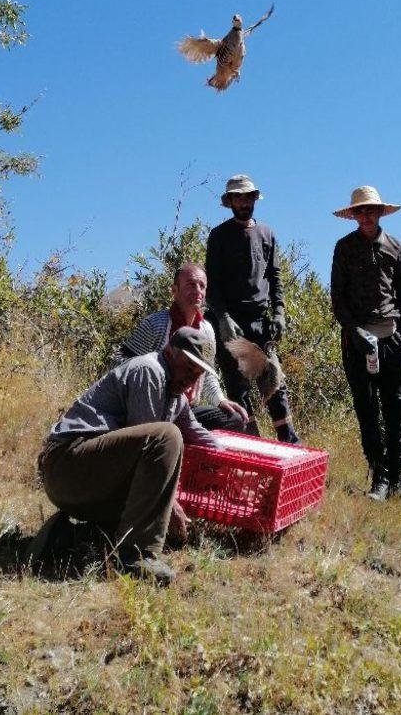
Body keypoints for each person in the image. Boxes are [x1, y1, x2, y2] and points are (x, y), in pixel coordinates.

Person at [36, 326, 222, 585]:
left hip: (83, 479)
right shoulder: (149, 371)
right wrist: (171, 504)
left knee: (164, 450)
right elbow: (151, 451)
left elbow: (197, 432)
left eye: (198, 373)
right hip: (67, 464)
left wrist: (229, 465)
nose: (191, 378)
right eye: (188, 368)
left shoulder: (176, 394)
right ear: (169, 353)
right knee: (166, 437)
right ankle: (136, 556)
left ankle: (65, 537)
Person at [330, 185, 401, 510]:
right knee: (367, 412)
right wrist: (354, 332)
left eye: (371, 209)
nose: (365, 215)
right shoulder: (344, 248)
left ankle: (398, 483)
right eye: (360, 210)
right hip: (357, 344)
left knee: (397, 412)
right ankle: (379, 480)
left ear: (380, 212)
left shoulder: (395, 247)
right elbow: (337, 299)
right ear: (353, 215)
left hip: (392, 341)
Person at [205, 174, 299, 443]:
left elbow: (275, 276)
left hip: (260, 321)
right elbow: (212, 284)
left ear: (254, 199)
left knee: (275, 382)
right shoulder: (219, 236)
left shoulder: (267, 233)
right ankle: (252, 448)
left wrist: (279, 312)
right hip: (231, 323)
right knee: (239, 389)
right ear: (230, 201)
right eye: (238, 197)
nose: (243, 202)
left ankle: (289, 444)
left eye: (247, 197)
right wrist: (222, 317)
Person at [114, 262, 249, 433]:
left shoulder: (206, 331)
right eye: (191, 285)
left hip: (185, 410)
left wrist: (220, 400)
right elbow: (121, 362)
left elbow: (206, 374)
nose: (198, 291)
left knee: (235, 419)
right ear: (174, 291)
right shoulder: (155, 324)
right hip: (149, 407)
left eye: (202, 286)